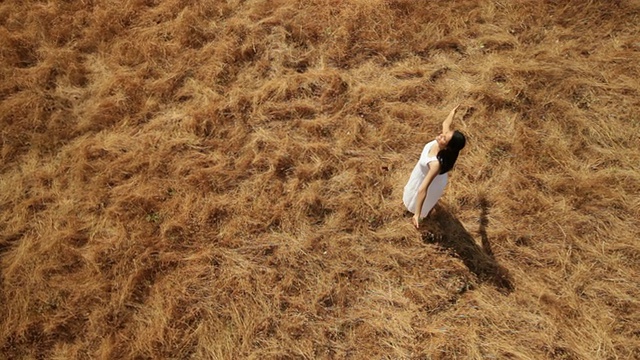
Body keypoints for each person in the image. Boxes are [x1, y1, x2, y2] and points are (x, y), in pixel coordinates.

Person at [403, 105, 466, 229]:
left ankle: (421, 212)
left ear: (447, 147)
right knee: (412, 188)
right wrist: (452, 112)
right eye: (445, 134)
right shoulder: (443, 139)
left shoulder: (435, 164)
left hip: (432, 182)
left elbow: (423, 189)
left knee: (417, 197)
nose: (442, 135)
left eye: (445, 138)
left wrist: (417, 214)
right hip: (421, 174)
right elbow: (445, 123)